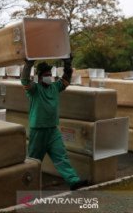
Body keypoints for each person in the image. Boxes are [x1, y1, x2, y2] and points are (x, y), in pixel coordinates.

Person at [21, 55, 88, 190]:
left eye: (50, 74)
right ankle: (27, 186)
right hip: (38, 130)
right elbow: (24, 80)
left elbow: (65, 80)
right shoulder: (34, 90)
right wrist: (28, 65)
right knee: (33, 161)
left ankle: (73, 181)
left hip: (53, 130)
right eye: (46, 75)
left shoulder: (55, 87)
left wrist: (68, 65)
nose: (49, 77)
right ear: (39, 77)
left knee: (61, 156)